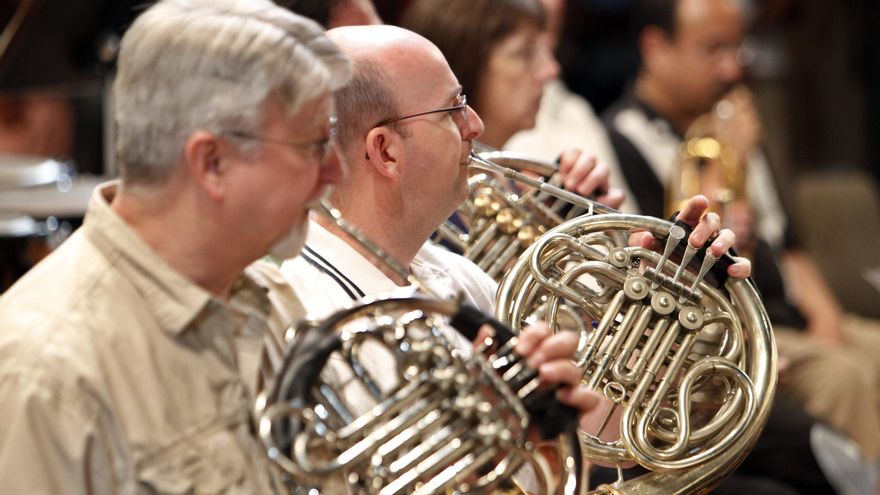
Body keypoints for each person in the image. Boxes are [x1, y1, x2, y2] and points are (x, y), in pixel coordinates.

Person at [279, 22, 751, 488]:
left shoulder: (452, 275)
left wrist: (667, 307)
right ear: (385, 152)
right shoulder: (307, 314)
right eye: (452, 110)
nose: (476, 126)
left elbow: (604, 436)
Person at [0, 0, 352, 492]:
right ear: (212, 163)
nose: (337, 170)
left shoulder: (271, 299)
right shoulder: (43, 370)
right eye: (313, 145)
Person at [602, 0, 880, 486]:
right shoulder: (625, 138)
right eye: (713, 49)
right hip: (734, 326)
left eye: (737, 47)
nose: (732, 67)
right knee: (844, 378)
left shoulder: (728, 119)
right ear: (655, 48)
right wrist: (723, 166)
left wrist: (827, 319)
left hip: (792, 311)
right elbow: (666, 272)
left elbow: (788, 244)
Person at [400, 0, 625, 204]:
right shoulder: (419, 202)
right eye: (525, 53)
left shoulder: (518, 188)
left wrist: (577, 223)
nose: (551, 70)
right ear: (462, 66)